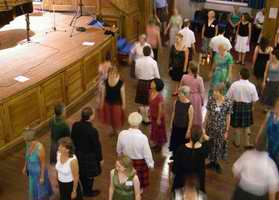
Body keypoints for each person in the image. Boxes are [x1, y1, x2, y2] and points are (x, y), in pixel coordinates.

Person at [231, 134, 279, 200]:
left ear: (255, 144)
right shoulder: (270, 165)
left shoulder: (247, 155)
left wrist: (240, 182)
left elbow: (234, 170)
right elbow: (272, 192)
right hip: (259, 197)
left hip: (241, 193)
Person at [116, 112, 154, 190]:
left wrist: (120, 157)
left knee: (128, 177)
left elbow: (118, 150)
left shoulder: (122, 134)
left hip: (126, 161)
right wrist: (150, 164)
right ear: (139, 123)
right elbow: (147, 154)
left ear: (129, 122)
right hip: (139, 163)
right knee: (138, 180)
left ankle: (129, 187)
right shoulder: (143, 137)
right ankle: (138, 190)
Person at [71, 107, 103, 197]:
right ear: (91, 116)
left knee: (80, 172)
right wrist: (100, 159)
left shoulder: (75, 125)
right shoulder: (93, 130)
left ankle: (84, 188)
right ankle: (88, 192)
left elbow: (72, 138)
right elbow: (96, 146)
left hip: (77, 154)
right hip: (89, 156)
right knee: (90, 176)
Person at [204, 84, 233, 173]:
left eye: (216, 92)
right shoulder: (211, 100)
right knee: (210, 145)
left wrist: (227, 131)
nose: (214, 93)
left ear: (221, 92)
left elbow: (228, 117)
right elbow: (207, 112)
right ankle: (211, 161)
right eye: (213, 91)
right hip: (210, 127)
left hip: (221, 129)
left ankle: (216, 163)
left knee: (218, 145)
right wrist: (204, 124)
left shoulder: (228, 102)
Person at [227, 68, 259, 148]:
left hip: (236, 106)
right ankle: (247, 143)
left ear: (240, 75)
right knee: (247, 125)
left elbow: (228, 96)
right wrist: (252, 107)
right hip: (247, 106)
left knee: (237, 126)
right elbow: (255, 99)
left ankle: (237, 143)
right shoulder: (252, 86)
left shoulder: (235, 84)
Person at [172, 126, 209, 193]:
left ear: (190, 135)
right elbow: (208, 141)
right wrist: (205, 137)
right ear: (201, 137)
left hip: (181, 181)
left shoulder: (181, 149)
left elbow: (175, 168)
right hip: (197, 182)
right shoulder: (204, 150)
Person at [22, 128, 53, 200]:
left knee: (41, 192)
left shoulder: (40, 148)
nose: (26, 142)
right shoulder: (27, 144)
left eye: (27, 140)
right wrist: (25, 166)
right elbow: (27, 157)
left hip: (39, 174)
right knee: (34, 191)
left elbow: (43, 163)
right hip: (31, 174)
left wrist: (42, 177)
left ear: (32, 139)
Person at [135, 46, 160, 123]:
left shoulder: (138, 61)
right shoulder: (153, 62)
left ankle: (142, 117)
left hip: (141, 82)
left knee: (141, 102)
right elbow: (157, 75)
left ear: (143, 52)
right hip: (150, 83)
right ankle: (146, 119)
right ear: (150, 53)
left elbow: (136, 73)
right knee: (147, 103)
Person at [169, 86, 194, 158]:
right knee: (174, 141)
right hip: (175, 125)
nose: (178, 95)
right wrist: (171, 123)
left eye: (180, 94)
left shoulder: (190, 106)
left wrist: (188, 131)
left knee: (181, 143)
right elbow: (174, 113)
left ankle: (180, 157)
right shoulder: (176, 102)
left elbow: (190, 120)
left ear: (185, 95)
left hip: (183, 128)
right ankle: (174, 155)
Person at [100, 67, 126, 135]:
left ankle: (118, 132)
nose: (112, 75)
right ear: (108, 73)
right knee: (109, 118)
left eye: (114, 73)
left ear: (117, 74)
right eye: (110, 73)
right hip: (107, 102)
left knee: (117, 118)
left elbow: (123, 95)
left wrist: (124, 104)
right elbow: (103, 94)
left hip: (117, 103)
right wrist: (102, 104)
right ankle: (112, 130)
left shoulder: (121, 83)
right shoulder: (105, 82)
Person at [180, 63, 205, 127]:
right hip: (196, 99)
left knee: (185, 112)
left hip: (186, 96)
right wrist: (202, 101)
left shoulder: (184, 77)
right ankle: (193, 126)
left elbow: (180, 88)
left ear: (189, 69)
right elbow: (202, 91)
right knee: (195, 114)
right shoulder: (200, 79)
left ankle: (185, 124)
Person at [258, 99, 279, 168]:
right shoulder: (270, 114)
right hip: (268, 142)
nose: (276, 109)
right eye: (276, 107)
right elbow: (263, 125)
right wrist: (258, 136)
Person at [149, 78, 167, 152]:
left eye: (153, 82)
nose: (151, 83)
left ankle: (159, 146)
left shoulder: (159, 97)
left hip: (158, 117)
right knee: (154, 130)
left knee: (159, 132)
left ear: (157, 86)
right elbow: (150, 103)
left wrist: (159, 119)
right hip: (153, 115)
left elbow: (161, 109)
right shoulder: (150, 92)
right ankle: (156, 143)